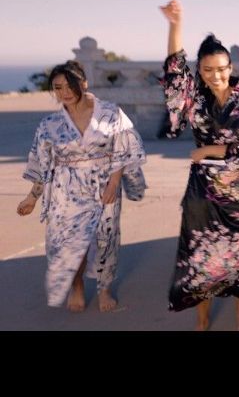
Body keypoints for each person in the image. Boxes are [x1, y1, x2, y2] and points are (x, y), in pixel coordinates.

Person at [159, 0, 239, 331]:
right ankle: (202, 317)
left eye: (222, 69)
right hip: (203, 194)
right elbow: (175, 75)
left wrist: (215, 150)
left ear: (231, 68)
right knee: (202, 256)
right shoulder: (195, 100)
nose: (216, 76)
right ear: (200, 70)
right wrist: (175, 25)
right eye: (208, 70)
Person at [17, 61, 147, 313]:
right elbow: (42, 162)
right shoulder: (49, 124)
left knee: (105, 239)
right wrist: (32, 197)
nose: (65, 92)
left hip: (103, 185)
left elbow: (124, 148)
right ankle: (76, 286)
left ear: (84, 83)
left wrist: (115, 182)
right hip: (65, 190)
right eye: (58, 88)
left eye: (70, 85)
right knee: (68, 242)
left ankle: (104, 288)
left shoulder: (111, 113)